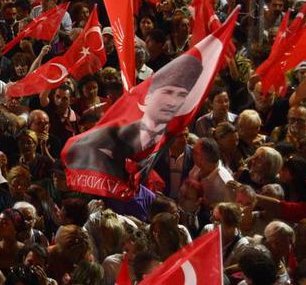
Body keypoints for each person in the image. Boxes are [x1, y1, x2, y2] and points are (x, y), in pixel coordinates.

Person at [63, 54, 202, 187]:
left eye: (181, 95)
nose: (172, 102)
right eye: (168, 93)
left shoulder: (163, 134)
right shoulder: (123, 128)